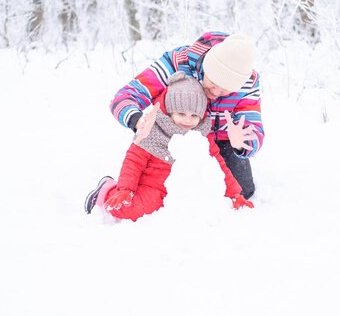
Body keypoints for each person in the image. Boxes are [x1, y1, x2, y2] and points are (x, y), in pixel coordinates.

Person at [109, 31, 264, 199]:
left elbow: (254, 127)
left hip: (217, 143)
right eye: (213, 82)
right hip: (170, 138)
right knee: (162, 193)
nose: (217, 92)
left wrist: (243, 143)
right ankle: (109, 189)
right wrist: (138, 121)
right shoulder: (176, 63)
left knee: (241, 191)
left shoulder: (248, 83)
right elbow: (124, 97)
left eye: (226, 89)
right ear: (207, 67)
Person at [84, 72, 253, 222]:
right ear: (170, 111)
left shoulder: (201, 135)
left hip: (185, 189)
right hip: (153, 187)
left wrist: (235, 194)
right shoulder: (152, 129)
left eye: (194, 115)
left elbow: (219, 166)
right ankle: (106, 190)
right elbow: (133, 162)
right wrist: (125, 189)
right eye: (181, 114)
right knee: (130, 208)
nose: (187, 120)